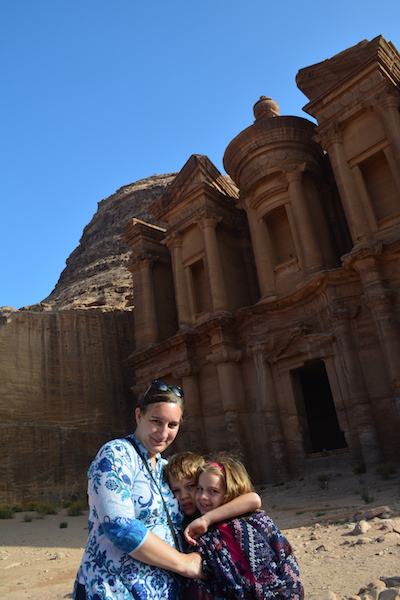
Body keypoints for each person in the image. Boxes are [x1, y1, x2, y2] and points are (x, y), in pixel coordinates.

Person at [73, 380, 203, 600]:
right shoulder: (116, 454)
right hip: (114, 590)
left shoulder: (166, 468)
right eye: (156, 421)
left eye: (172, 425)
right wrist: (184, 563)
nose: (163, 433)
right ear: (139, 416)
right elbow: (119, 526)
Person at [183, 453, 304, 600]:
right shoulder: (201, 533)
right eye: (199, 488)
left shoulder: (255, 522)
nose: (202, 496)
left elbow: (284, 557)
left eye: (213, 491)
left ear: (230, 492)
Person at [165, 450, 262, 530]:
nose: (184, 496)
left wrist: (207, 519)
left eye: (191, 486)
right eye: (176, 490)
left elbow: (253, 500)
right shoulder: (177, 519)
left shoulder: (220, 509)